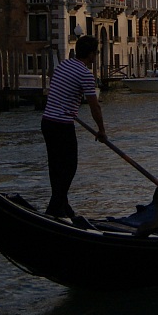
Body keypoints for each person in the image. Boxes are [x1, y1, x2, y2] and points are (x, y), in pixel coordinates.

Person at [41, 35, 106, 219]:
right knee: (69, 167)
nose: (96, 57)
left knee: (55, 167)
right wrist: (101, 130)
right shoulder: (85, 73)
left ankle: (64, 208)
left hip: (47, 122)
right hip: (62, 124)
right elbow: (95, 106)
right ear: (91, 54)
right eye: (96, 53)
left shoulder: (64, 65)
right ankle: (53, 209)